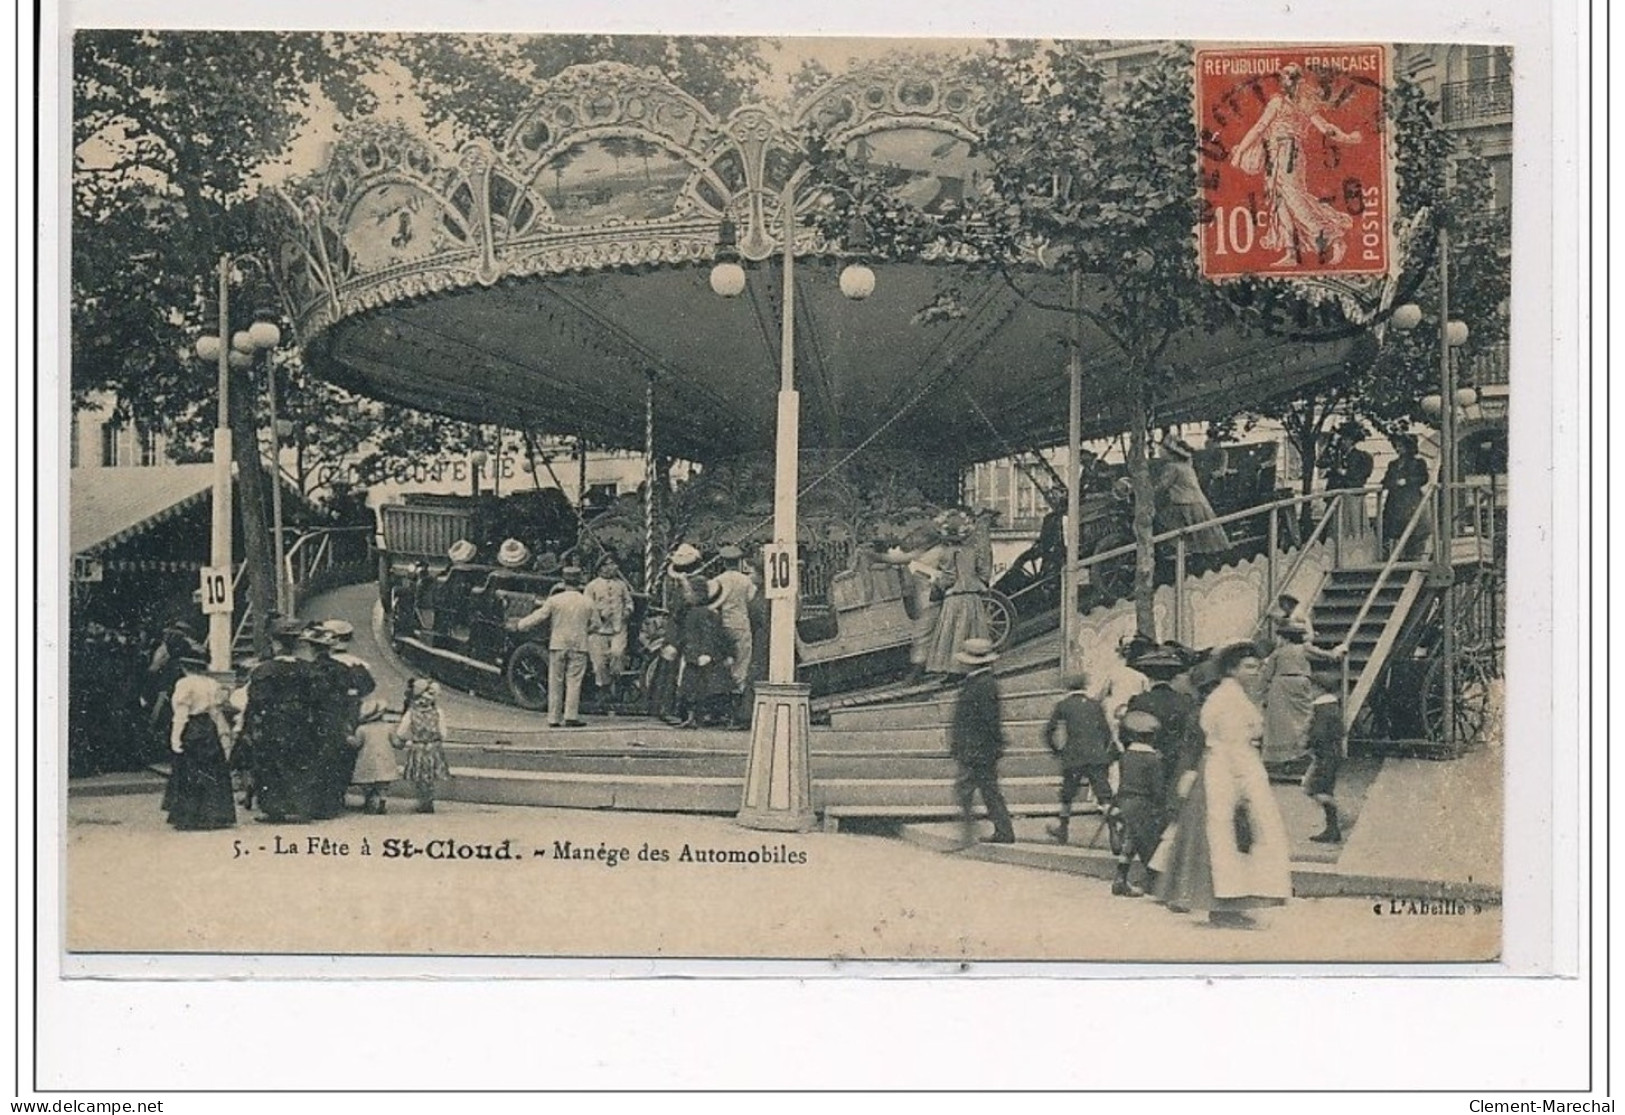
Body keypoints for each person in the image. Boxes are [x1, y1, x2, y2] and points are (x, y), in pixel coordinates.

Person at [1152, 642, 1292, 926]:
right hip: (1227, 772)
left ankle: (1233, 903)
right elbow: (1231, 746)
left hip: (1235, 767)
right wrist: (1244, 790)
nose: (1255, 672)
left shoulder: (1236, 695)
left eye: (1257, 666)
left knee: (1237, 839)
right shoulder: (1227, 700)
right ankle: (1223, 905)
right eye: (1249, 667)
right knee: (1227, 837)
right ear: (1231, 669)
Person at [1229, 63, 1364, 268]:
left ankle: (1333, 239)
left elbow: (1325, 128)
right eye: (1284, 77)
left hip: (1288, 153)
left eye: (1291, 77)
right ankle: (1291, 253)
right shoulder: (1280, 102)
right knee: (1280, 202)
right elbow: (1259, 129)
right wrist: (1240, 151)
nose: (1286, 81)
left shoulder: (1298, 104)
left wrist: (1348, 138)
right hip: (1275, 154)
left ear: (1298, 80)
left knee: (1295, 199)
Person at [1124, 644, 1204, 838]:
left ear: (1149, 676)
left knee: (1150, 803)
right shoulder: (1186, 701)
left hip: (1149, 759)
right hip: (1177, 759)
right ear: (1173, 676)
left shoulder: (1139, 701)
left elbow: (1126, 732)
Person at [244, 617, 318, 822]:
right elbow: (315, 698)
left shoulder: (264, 670)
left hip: (274, 723)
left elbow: (256, 701)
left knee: (272, 764)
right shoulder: (307, 668)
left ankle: (275, 809)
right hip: (302, 722)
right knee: (300, 763)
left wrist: (250, 727)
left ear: (275, 643)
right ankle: (302, 807)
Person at [947, 638, 1015, 847]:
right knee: (988, 790)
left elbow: (987, 720)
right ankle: (1002, 831)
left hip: (976, 748)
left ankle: (969, 834)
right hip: (979, 748)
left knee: (967, 790)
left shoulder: (981, 684)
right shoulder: (983, 682)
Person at [160, 655, 237, 831]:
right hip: (208, 727)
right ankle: (214, 815)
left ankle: (189, 816)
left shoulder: (185, 684)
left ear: (184, 666)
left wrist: (175, 737)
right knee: (210, 769)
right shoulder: (211, 683)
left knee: (190, 770)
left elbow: (181, 712)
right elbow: (214, 710)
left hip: (192, 726)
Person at [512, 564, 595, 728]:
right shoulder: (588, 602)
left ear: (564, 582)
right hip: (579, 645)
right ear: (579, 582)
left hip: (558, 643)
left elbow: (539, 617)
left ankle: (553, 718)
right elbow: (597, 625)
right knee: (574, 681)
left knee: (555, 681)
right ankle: (571, 716)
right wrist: (584, 630)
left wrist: (520, 624)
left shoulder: (554, 600)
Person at [1042, 672, 1117, 848]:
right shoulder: (1095, 705)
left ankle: (1063, 828)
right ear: (1084, 686)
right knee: (1103, 794)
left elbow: (1048, 731)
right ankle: (1114, 832)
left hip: (1073, 756)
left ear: (1069, 687)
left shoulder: (1063, 705)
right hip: (1096, 756)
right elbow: (1106, 732)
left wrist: (1057, 750)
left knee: (1067, 794)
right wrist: (1101, 750)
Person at [922, 513, 992, 678]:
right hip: (972, 598)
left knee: (953, 635)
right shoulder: (972, 550)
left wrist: (936, 587)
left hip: (954, 598)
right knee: (972, 633)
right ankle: (974, 669)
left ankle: (954, 671)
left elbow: (949, 578)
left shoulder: (946, 553)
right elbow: (982, 573)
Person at [1113, 709, 1168, 897]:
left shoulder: (1126, 756)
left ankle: (1120, 879)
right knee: (1147, 843)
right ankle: (1154, 883)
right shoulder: (1152, 759)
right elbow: (1157, 788)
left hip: (1125, 800)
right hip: (1143, 804)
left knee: (1131, 839)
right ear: (1150, 737)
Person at [1154, 437, 1230, 561]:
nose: (1160, 452)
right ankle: (1193, 556)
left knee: (1161, 520)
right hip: (1198, 503)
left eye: (1162, 449)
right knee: (1200, 536)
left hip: (1184, 504)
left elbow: (1161, 487)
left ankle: (1171, 553)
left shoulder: (1172, 467)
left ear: (1171, 452)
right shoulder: (1186, 466)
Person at [677, 577, 734, 728]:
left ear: (698, 594)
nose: (685, 594)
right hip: (699, 656)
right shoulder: (703, 612)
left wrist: (702, 654)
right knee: (696, 686)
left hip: (700, 658)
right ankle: (697, 716)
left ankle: (696, 716)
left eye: (688, 591)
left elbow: (708, 636)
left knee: (696, 687)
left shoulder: (700, 614)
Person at [1260, 622, 1318, 766]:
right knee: (1302, 717)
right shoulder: (1304, 648)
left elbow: (1267, 675)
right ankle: (1299, 750)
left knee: (1281, 721)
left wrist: (1263, 690)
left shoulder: (1278, 653)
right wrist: (1338, 651)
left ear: (1285, 638)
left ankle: (1284, 755)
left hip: (1281, 685)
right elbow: (1325, 655)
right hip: (1300, 682)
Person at [584, 556, 636, 712]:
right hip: (597, 629)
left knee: (617, 653)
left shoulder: (621, 585)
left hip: (618, 627)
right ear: (602, 568)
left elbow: (629, 602)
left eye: (614, 564)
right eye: (610, 564)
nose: (614, 567)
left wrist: (627, 611)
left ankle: (616, 684)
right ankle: (603, 688)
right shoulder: (592, 586)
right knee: (599, 662)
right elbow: (586, 606)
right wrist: (598, 615)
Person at [706, 545, 757, 698]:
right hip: (740, 623)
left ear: (723, 562)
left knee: (722, 662)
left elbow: (711, 601)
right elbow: (751, 600)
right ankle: (740, 694)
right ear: (739, 561)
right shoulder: (746, 581)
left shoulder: (717, 581)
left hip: (722, 624)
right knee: (742, 662)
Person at [393, 677, 449, 813]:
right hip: (433, 747)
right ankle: (428, 801)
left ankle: (422, 801)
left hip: (418, 747)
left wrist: (410, 737)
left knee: (419, 776)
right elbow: (443, 733)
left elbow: (400, 732)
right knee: (430, 776)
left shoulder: (411, 713)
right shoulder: (438, 713)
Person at [1091, 633, 1153, 744]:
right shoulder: (1141, 676)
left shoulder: (1114, 672)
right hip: (1132, 711)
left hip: (1115, 710)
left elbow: (1102, 694)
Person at [1302, 690, 1346, 843]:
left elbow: (1318, 734)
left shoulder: (1321, 710)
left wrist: (1308, 744)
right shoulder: (1333, 709)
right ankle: (1332, 829)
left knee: (1311, 788)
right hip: (1333, 756)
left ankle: (1336, 820)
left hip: (1323, 758)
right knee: (1324, 790)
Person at [1381, 434, 1432, 559]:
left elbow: (1424, 478)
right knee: (1393, 527)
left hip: (1410, 499)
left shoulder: (1418, 462)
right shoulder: (1393, 464)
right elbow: (1385, 480)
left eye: (1401, 446)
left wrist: (1407, 481)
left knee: (1412, 526)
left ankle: (1414, 555)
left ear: (1409, 447)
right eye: (1396, 446)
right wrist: (1391, 483)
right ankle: (1396, 557)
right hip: (1394, 500)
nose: (1398, 449)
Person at [1321, 420, 1375, 540]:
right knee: (1333, 529)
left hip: (1351, 498)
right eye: (1341, 439)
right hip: (1335, 498)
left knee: (1351, 528)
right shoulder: (1335, 455)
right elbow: (1320, 463)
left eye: (1344, 439)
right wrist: (1332, 444)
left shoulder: (1362, 456)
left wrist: (1343, 473)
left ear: (1351, 440)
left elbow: (1360, 476)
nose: (1342, 442)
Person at [350, 699, 398, 814]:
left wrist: (348, 739)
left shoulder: (362, 729)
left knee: (367, 783)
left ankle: (370, 801)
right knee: (383, 784)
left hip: (368, 758)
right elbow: (396, 742)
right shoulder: (389, 727)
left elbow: (357, 743)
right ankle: (382, 801)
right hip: (385, 758)